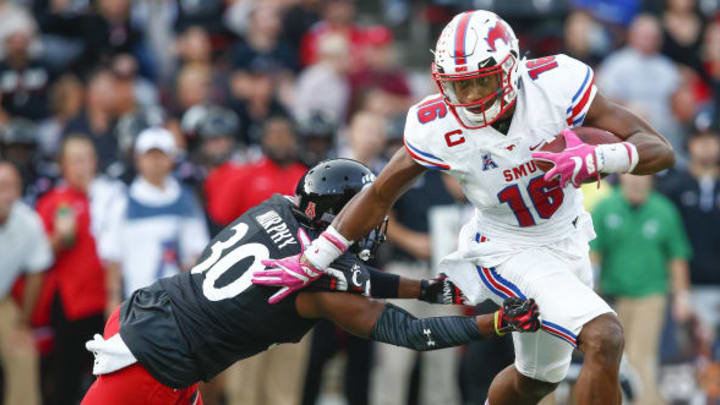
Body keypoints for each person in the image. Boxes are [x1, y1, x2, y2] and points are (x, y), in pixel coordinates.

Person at [257, 10, 676, 405]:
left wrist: (600, 158)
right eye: (460, 86)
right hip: (505, 248)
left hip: (567, 239)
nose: (471, 97)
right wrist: (317, 256)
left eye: (482, 82)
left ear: (511, 68)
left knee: (537, 379)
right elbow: (382, 193)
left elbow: (659, 149)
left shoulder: (556, 84)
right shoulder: (438, 125)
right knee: (605, 336)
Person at [80, 159, 542, 405]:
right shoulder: (319, 285)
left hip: (151, 315)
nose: (372, 223)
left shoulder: (278, 206)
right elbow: (410, 332)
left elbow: (347, 275)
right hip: (155, 362)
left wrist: (430, 289)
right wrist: (495, 323)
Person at [591, 174, 692, 405]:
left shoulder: (664, 210)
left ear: (652, 179)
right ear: (621, 177)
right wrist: (591, 291)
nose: (636, 180)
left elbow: (677, 256)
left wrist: (682, 296)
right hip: (612, 296)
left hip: (651, 294)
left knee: (640, 356)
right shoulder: (605, 207)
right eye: (631, 174)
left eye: (642, 175)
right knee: (614, 359)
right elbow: (594, 252)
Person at [99, 127, 209, 310]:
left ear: (171, 159)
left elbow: (197, 251)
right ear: (138, 160)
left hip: (179, 301)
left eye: (161, 155)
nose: (155, 162)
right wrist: (112, 299)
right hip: (137, 299)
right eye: (149, 156)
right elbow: (113, 255)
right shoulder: (122, 201)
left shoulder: (187, 199)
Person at [35, 136, 108, 405]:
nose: (83, 166)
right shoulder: (56, 201)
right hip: (72, 304)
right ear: (63, 165)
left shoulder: (108, 197)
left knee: (105, 381)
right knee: (67, 378)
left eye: (87, 158)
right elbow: (40, 256)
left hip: (108, 302)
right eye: (75, 160)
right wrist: (59, 238)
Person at [0, 160, 51, 405]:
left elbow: (36, 273)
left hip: (2, 303)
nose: (5, 193)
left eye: (10, 186)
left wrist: (23, 323)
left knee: (23, 352)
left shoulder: (28, 222)